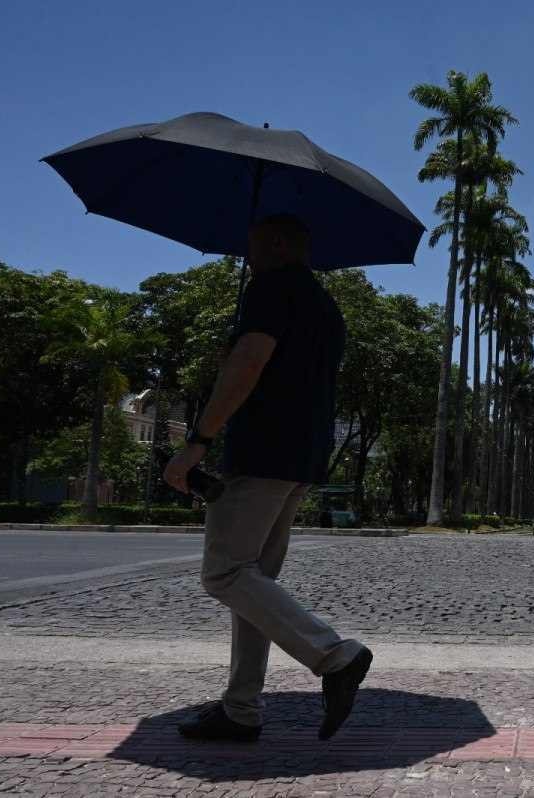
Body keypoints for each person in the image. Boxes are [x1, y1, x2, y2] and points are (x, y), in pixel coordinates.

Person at [164, 213, 371, 742]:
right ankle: (240, 709)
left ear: (278, 242)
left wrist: (198, 441)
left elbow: (250, 363)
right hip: (301, 457)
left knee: (225, 574)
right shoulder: (323, 304)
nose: (246, 252)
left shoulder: (271, 289)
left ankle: (334, 655)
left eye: (252, 242)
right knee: (253, 583)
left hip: (261, 451)